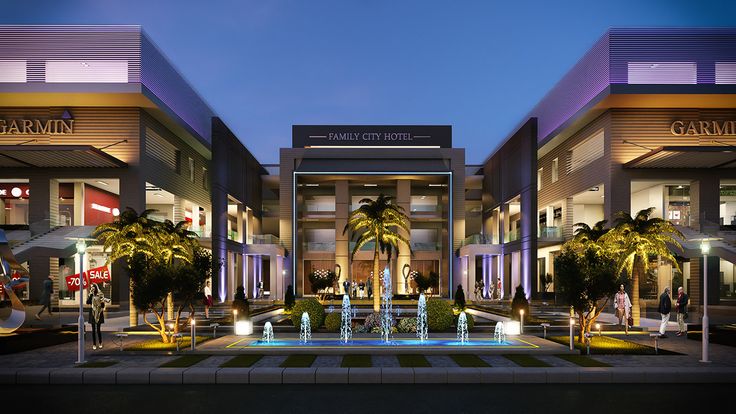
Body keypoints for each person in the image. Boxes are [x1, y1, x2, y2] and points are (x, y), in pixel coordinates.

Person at [87, 283, 110, 350]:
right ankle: (94, 344)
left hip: (99, 312)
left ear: (96, 287)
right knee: (93, 330)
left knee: (98, 329)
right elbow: (88, 302)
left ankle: (100, 343)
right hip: (92, 312)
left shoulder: (100, 294)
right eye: (91, 287)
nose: (92, 288)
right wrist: (91, 294)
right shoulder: (91, 294)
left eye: (93, 287)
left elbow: (103, 305)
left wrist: (102, 303)